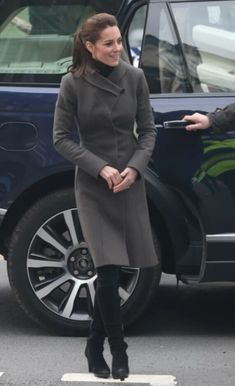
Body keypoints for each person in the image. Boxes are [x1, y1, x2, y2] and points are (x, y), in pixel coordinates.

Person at [53, 13, 158, 381]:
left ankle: (92, 344)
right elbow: (62, 138)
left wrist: (134, 168)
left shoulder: (136, 77)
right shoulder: (73, 83)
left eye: (119, 42)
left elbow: (147, 132)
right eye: (109, 43)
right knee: (107, 272)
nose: (117, 49)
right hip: (95, 187)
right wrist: (101, 168)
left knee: (120, 269)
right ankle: (119, 349)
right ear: (90, 46)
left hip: (129, 183)